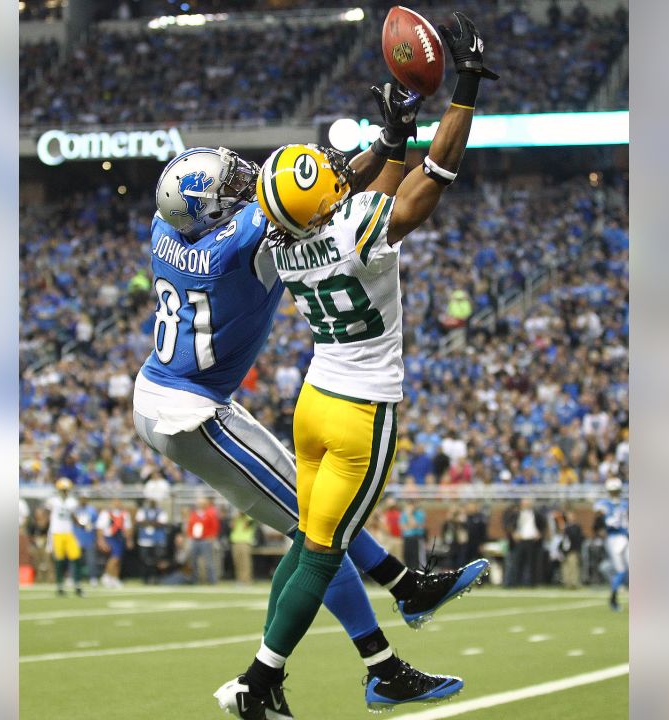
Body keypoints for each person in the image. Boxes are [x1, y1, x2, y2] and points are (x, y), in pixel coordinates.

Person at [134, 82, 487, 717]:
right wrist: (391, 140)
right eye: (231, 189)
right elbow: (321, 194)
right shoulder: (244, 240)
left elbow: (304, 197)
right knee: (313, 532)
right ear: (219, 213)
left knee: (317, 525)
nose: (243, 184)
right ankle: (297, 675)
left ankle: (402, 601)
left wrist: (385, 142)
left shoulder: (168, 225)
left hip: (169, 391)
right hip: (192, 409)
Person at [218, 16, 498, 717]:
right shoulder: (355, 228)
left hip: (314, 403)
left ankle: (392, 618)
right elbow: (431, 181)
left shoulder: (285, 244)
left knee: (308, 543)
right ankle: (260, 679)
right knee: (321, 554)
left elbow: (362, 189)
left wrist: (396, 133)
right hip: (360, 412)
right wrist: (462, 90)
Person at [44, 478, 87, 597]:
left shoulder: (71, 502)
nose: (64, 492)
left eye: (66, 490)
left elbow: (73, 515)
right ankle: (60, 587)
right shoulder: (53, 501)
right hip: (56, 532)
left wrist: (80, 524)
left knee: (76, 556)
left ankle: (77, 585)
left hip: (68, 532)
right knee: (59, 560)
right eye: (63, 490)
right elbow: (45, 512)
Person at [594, 476, 629, 610]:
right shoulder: (604, 504)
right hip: (613, 538)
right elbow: (598, 517)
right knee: (621, 570)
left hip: (624, 537)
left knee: (626, 569)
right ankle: (613, 598)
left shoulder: (624, 504)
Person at [96, 499, 133, 588]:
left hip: (120, 537)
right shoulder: (106, 513)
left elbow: (128, 528)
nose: (117, 504)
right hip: (110, 537)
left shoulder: (125, 514)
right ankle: (107, 575)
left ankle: (114, 578)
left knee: (118, 559)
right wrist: (101, 541)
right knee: (115, 557)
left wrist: (129, 540)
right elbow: (100, 528)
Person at [187, 498, 221, 584]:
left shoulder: (210, 513)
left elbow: (215, 526)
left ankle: (212, 580)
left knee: (208, 561)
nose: (199, 505)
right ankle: (194, 580)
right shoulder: (194, 514)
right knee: (193, 561)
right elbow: (190, 525)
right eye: (198, 503)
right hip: (195, 540)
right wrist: (190, 535)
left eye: (201, 503)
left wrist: (212, 536)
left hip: (205, 539)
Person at [135, 500, 169, 585]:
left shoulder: (161, 511)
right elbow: (139, 522)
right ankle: (145, 578)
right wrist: (153, 523)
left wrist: (147, 522)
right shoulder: (142, 510)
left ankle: (156, 578)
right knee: (145, 560)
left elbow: (162, 523)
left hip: (157, 540)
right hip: (145, 540)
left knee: (157, 560)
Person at [230, 511, 257, 585]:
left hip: (245, 542)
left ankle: (246, 580)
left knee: (245, 562)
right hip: (235, 541)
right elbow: (232, 526)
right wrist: (235, 518)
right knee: (237, 562)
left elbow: (246, 526)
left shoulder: (250, 518)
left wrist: (242, 516)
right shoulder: (236, 518)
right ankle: (239, 579)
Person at [561, 508, 585, 589]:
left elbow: (578, 538)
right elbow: (563, 539)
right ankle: (567, 582)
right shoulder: (564, 526)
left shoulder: (576, 527)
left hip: (573, 549)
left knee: (573, 566)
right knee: (565, 567)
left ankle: (574, 583)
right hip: (565, 550)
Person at [401, 502, 427, 568]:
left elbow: (414, 525)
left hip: (416, 538)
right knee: (407, 557)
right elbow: (403, 527)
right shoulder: (404, 514)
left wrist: (409, 515)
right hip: (407, 538)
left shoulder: (420, 514)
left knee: (417, 558)